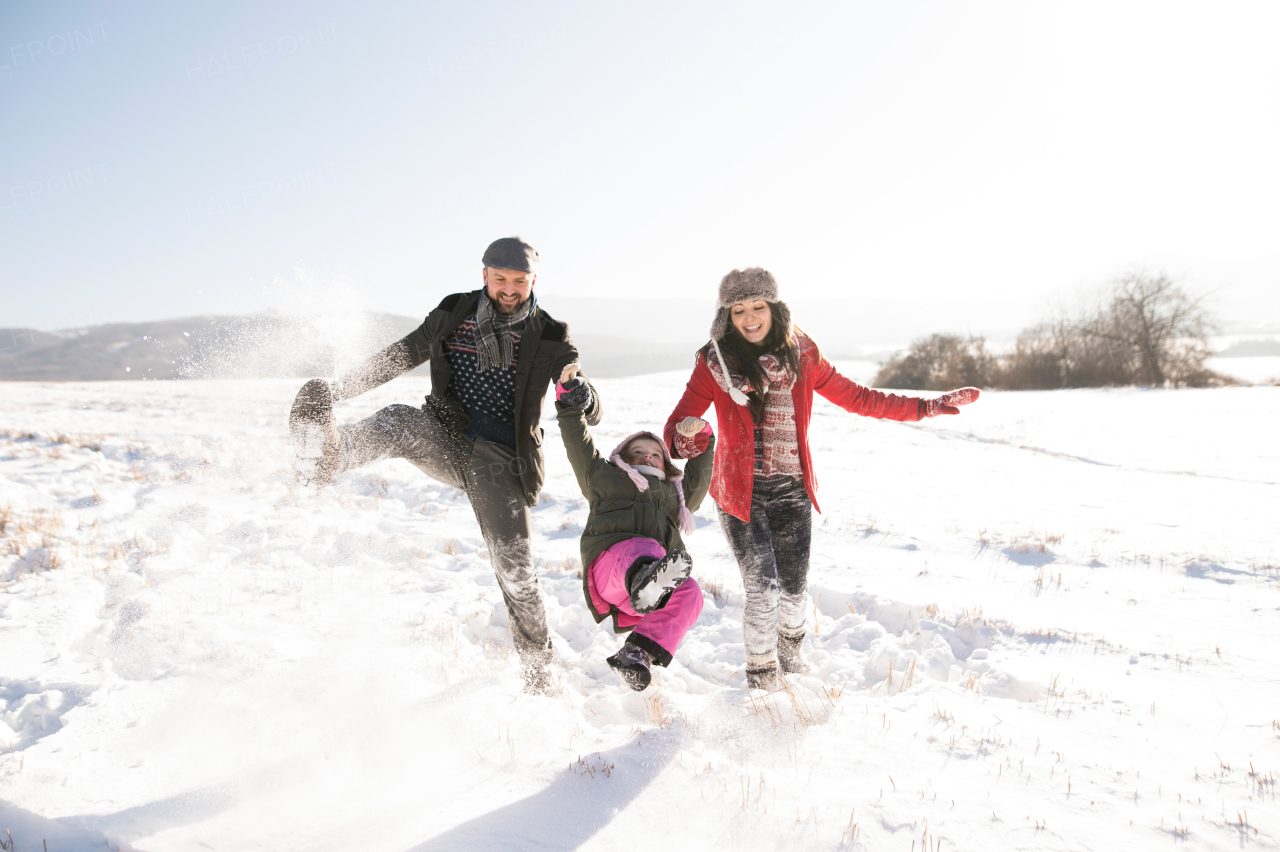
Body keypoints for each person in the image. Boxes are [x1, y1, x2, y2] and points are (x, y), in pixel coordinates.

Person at [288, 236, 602, 694]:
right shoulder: (454, 312)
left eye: (519, 280)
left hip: (501, 461)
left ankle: (539, 675)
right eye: (500, 279)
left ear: (533, 281)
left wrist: (582, 394)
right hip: (447, 436)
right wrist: (336, 392)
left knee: (514, 571)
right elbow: (399, 356)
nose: (509, 289)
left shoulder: (551, 335)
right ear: (484, 277)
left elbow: (586, 399)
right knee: (397, 420)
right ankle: (324, 456)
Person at [663, 267, 979, 691]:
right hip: (740, 494)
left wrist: (925, 408)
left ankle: (790, 660)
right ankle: (761, 681)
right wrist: (691, 436)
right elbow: (678, 427)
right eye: (739, 310)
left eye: (758, 306)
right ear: (728, 315)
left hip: (791, 491)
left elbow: (859, 397)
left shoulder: (803, 353)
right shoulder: (714, 361)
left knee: (794, 595)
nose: (750, 318)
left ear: (774, 307)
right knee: (764, 589)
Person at [556, 365, 715, 691]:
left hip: (645, 591)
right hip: (611, 570)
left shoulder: (675, 495)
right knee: (648, 550)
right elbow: (577, 441)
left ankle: (636, 653)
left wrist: (704, 437)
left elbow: (700, 474)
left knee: (691, 593)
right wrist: (569, 400)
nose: (648, 456)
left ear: (666, 463)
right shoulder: (602, 475)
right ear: (623, 457)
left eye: (656, 453)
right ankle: (646, 577)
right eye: (638, 451)